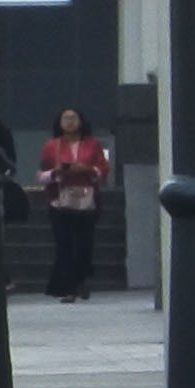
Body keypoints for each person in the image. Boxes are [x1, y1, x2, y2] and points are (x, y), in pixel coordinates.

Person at [38, 106, 112, 302]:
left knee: (84, 244)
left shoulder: (92, 144)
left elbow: (102, 171)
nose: (69, 122)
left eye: (73, 118)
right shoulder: (51, 146)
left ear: (81, 121)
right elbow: (42, 174)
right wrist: (56, 173)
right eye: (65, 118)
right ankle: (69, 287)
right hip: (59, 201)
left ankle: (82, 279)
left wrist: (86, 169)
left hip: (87, 201)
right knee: (65, 245)